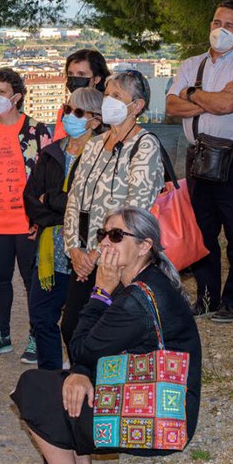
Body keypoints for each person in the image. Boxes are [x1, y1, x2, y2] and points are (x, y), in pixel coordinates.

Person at [10, 207, 202, 464]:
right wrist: (82, 372)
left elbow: (81, 345)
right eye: (103, 235)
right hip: (164, 405)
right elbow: (88, 345)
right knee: (65, 383)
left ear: (144, 246)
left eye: (116, 236)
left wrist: (100, 291)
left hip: (161, 420)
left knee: (33, 388)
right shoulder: (142, 281)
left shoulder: (136, 299)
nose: (105, 244)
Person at [165, 0, 233, 323]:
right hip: (199, 155)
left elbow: (227, 105)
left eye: (230, 25)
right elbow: (171, 107)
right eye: (216, 22)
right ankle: (207, 298)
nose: (220, 30)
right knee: (201, 232)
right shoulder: (190, 64)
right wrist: (209, 96)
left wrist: (192, 94)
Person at [61, 70, 164, 350]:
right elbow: (74, 199)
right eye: (107, 94)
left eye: (117, 96)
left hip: (118, 261)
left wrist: (96, 255)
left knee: (106, 337)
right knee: (72, 328)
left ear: (138, 106)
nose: (108, 101)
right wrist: (74, 250)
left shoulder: (144, 146)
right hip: (83, 259)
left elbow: (136, 209)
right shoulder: (94, 145)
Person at [0, 67, 53, 361]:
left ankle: (36, 336)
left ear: (16, 96)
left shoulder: (38, 132)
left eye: (1, 92)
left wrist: (42, 219)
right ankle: (0, 333)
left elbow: (49, 179)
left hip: (27, 223)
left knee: (33, 282)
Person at [23, 87, 104, 372]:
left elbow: (95, 206)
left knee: (78, 324)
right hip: (50, 254)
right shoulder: (51, 153)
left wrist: (55, 201)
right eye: (67, 109)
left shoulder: (103, 155)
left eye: (78, 112)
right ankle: (49, 377)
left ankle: (81, 377)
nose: (70, 116)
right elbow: (32, 198)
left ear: (95, 120)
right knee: (42, 318)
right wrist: (65, 209)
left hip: (85, 256)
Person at [52, 48, 110, 141]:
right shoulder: (64, 111)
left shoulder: (107, 114)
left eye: (81, 75)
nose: (74, 80)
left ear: (96, 79)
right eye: (70, 74)